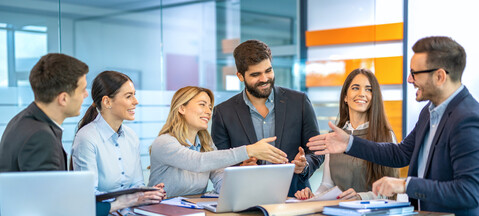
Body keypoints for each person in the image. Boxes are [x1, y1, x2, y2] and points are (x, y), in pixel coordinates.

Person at [307, 36, 479, 216]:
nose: (409, 79)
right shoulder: (429, 113)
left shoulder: (467, 118)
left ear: (440, 76)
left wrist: (406, 185)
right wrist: (349, 143)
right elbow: (400, 154)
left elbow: (469, 191)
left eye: (415, 73)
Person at [0, 53, 147, 216]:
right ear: (63, 98)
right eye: (82, 90)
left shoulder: (24, 121)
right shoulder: (40, 136)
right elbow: (53, 208)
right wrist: (120, 203)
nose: (86, 95)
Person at [211, 39, 323, 197]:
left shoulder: (299, 102)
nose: (264, 79)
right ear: (240, 76)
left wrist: (304, 165)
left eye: (268, 71)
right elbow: (219, 163)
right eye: (256, 74)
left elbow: (317, 151)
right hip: (245, 198)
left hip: (295, 196)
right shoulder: (223, 113)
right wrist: (241, 168)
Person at [149, 86, 288, 197]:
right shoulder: (164, 143)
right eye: (202, 105)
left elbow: (222, 182)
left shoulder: (206, 146)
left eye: (210, 107)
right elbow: (198, 162)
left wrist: (241, 175)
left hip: (194, 215)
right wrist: (248, 150)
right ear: (181, 108)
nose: (208, 111)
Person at [294, 69, 399, 200]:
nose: (362, 94)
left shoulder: (386, 136)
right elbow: (327, 184)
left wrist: (361, 197)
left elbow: (392, 191)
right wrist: (313, 196)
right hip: (339, 215)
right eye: (355, 88)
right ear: (345, 96)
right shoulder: (334, 137)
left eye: (368, 89)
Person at [72, 71, 166, 211]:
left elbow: (135, 184)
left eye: (134, 94)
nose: (136, 101)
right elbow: (88, 196)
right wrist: (128, 200)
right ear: (107, 102)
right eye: (129, 96)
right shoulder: (87, 138)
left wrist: (147, 192)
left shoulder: (131, 136)